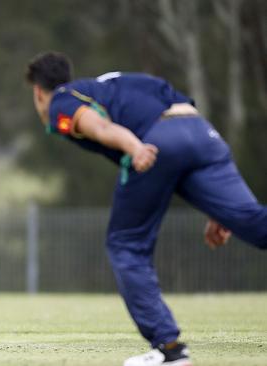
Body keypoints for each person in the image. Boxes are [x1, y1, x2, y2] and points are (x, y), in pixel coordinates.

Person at [25, 51, 267, 366]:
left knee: (125, 245)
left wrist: (135, 147)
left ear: (37, 92)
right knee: (253, 222)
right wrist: (217, 210)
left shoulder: (61, 101)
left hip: (156, 142)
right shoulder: (112, 82)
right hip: (202, 132)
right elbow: (182, 126)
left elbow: (97, 126)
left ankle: (170, 350)